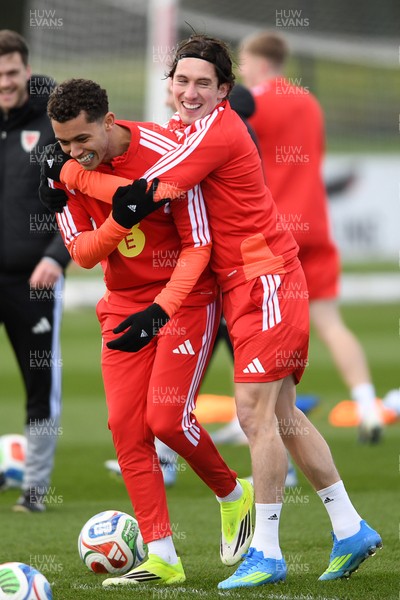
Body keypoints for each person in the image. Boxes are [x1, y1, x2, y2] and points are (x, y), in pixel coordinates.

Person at [54, 35, 383, 589]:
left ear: (224, 90)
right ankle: (350, 528)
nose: (189, 91)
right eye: (181, 80)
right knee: (281, 415)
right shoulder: (186, 129)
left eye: (203, 82)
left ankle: (268, 552)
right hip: (246, 282)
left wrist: (67, 174)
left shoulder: (213, 131)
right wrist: (74, 162)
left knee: (255, 415)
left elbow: (142, 191)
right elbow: (134, 154)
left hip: (264, 277)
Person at [42, 78, 254, 586]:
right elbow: (84, 253)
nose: (73, 153)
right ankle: (161, 557)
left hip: (186, 299)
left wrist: (160, 310)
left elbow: (199, 246)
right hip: (120, 306)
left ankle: (233, 494)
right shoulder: (58, 171)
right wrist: (118, 219)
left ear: (108, 121)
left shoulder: (168, 149)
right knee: (126, 429)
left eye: (82, 140)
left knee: (164, 419)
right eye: (64, 143)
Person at [239, 31, 383, 443]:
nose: (242, 71)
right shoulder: (309, 102)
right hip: (316, 226)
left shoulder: (253, 103)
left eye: (244, 62)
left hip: (273, 232)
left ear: (260, 62)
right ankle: (369, 406)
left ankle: (265, 412)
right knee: (331, 323)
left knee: (258, 326)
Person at [0, 30, 70, 512]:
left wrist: (55, 256)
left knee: (39, 384)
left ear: (26, 70)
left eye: (10, 73)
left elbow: (78, 201)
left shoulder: (54, 120)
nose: (4, 83)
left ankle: (35, 489)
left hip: (33, 279)